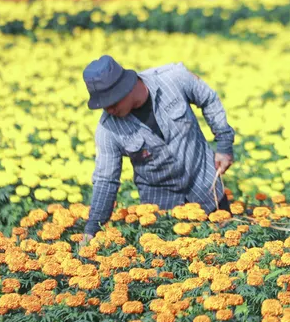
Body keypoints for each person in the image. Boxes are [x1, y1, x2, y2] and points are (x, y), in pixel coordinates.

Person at [79, 56, 235, 248]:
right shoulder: (108, 129)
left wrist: (224, 145)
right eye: (103, 105)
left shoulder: (173, 78)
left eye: (112, 102)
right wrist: (92, 230)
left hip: (207, 189)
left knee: (226, 254)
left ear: (126, 87)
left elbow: (209, 99)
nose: (109, 109)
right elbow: (106, 180)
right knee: (172, 271)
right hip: (162, 214)